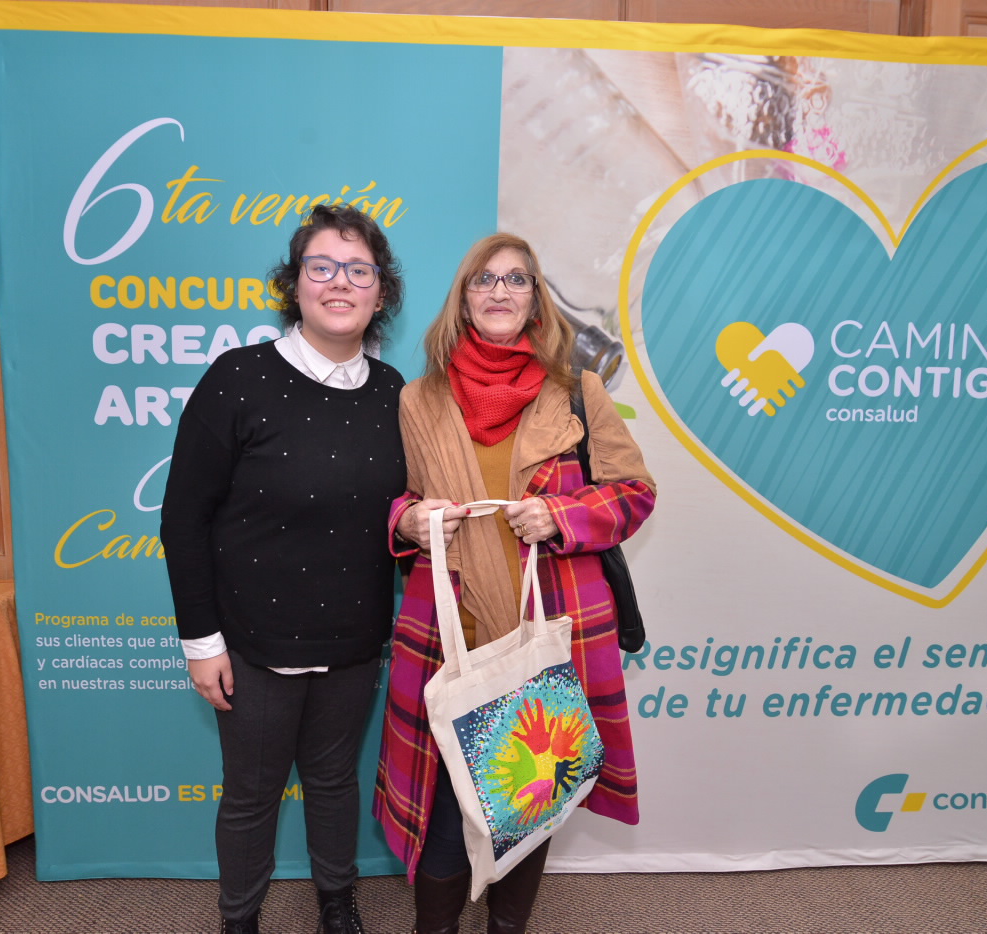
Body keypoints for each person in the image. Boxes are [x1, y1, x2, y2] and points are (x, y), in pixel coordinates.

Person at [373, 233, 656, 934]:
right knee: (447, 811)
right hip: (452, 633)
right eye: (485, 279)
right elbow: (395, 498)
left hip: (549, 632)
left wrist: (562, 515)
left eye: (517, 279)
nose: (500, 291)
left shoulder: (579, 392)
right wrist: (408, 520)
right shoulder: (418, 400)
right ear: (463, 299)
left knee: (531, 804)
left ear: (536, 300)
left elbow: (634, 492)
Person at [161, 204, 407, 934]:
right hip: (252, 644)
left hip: (353, 642)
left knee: (333, 781)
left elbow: (401, 514)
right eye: (321, 267)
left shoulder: (395, 393)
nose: (340, 282)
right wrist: (201, 643)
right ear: (294, 285)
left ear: (381, 294)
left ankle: (337, 902)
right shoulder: (238, 378)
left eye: (359, 270)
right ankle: (239, 918)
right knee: (251, 794)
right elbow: (183, 520)